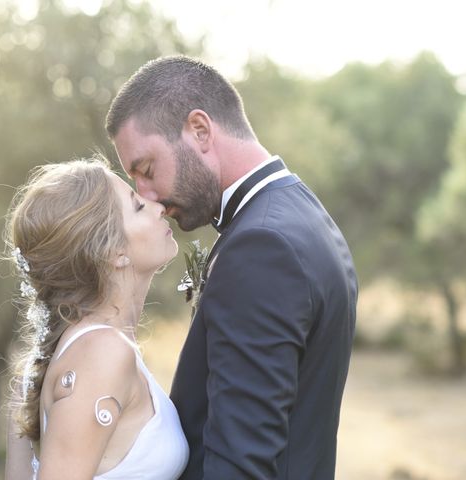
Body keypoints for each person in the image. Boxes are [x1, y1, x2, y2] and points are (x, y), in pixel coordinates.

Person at [106, 56, 358, 479]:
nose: (147, 196)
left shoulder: (262, 248)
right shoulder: (299, 213)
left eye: (146, 170)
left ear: (200, 130)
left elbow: (240, 463)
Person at [3, 159, 189, 480]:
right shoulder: (102, 352)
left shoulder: (85, 350)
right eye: (137, 207)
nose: (157, 205)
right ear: (112, 252)